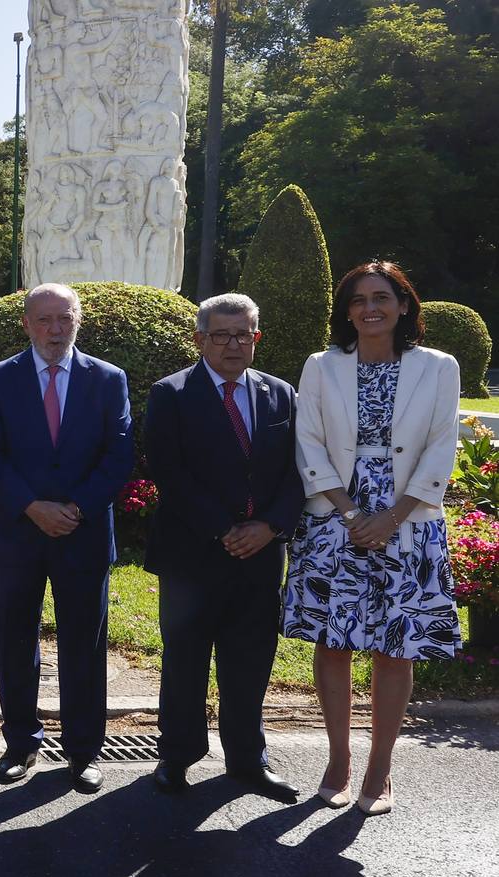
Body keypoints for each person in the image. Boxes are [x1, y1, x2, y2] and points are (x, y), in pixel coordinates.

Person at [282, 261, 462, 816]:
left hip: (409, 521)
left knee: (395, 644)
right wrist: (351, 511)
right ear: (347, 311)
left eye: (381, 297)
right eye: (357, 300)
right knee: (332, 641)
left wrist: (392, 516)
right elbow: (307, 441)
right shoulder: (322, 366)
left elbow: (441, 445)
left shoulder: (438, 367)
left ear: (404, 305)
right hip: (335, 515)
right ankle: (338, 760)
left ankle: (380, 768)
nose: (369, 308)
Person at [0, 282, 132, 794]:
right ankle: (21, 742)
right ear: (26, 324)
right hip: (19, 532)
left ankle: (83, 752)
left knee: (83, 645)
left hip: (82, 535)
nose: (54, 329)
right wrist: (32, 506)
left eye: (64, 318)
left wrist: (76, 508)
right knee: (16, 643)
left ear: (78, 321)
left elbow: (119, 456)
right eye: (43, 320)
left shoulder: (108, 379)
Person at [143, 293, 304, 802]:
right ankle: (177, 756)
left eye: (244, 334)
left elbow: (301, 472)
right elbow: (169, 471)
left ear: (257, 338)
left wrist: (271, 526)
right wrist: (224, 529)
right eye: (221, 335)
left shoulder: (281, 394)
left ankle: (247, 759)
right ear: (199, 339)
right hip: (193, 554)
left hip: (261, 554)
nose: (234, 344)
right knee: (185, 660)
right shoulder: (170, 393)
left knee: (250, 660)